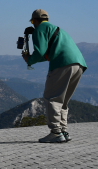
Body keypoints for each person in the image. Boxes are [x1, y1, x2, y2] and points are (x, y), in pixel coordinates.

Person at [22, 9, 87, 143]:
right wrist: (32, 58)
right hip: (78, 64)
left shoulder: (39, 30)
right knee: (62, 101)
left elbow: (40, 52)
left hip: (62, 64)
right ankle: (63, 131)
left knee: (52, 98)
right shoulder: (57, 29)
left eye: (33, 21)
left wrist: (29, 59)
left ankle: (56, 133)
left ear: (34, 21)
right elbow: (47, 54)